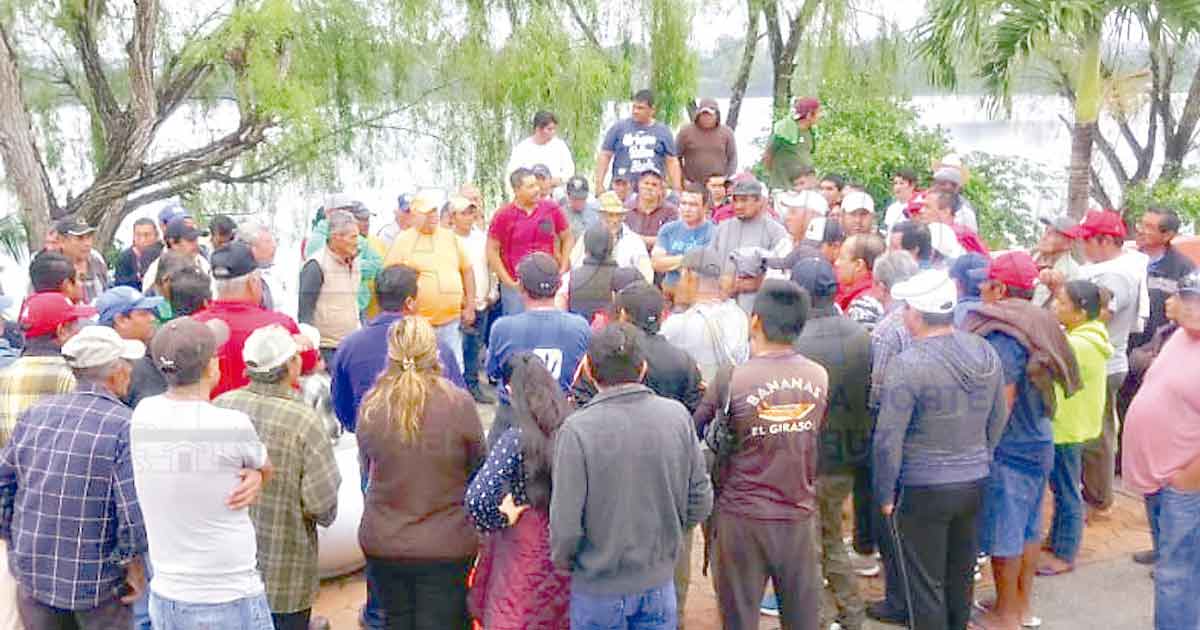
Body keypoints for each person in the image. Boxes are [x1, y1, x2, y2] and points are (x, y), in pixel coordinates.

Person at [550, 322, 712, 630]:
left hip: (597, 588)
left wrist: (574, 563)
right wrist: (667, 540)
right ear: (643, 368)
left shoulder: (577, 430)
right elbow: (700, 500)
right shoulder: (677, 417)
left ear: (588, 370)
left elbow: (566, 526)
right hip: (657, 582)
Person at [874, 270, 1008, 630]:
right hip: (975, 478)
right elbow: (998, 416)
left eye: (906, 309)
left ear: (917, 314)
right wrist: (981, 455)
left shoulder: (908, 364)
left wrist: (885, 492)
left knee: (924, 584)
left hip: (923, 487)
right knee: (960, 577)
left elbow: (889, 438)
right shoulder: (984, 351)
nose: (903, 315)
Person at [695, 279, 825, 630]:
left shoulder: (732, 378)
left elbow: (698, 425)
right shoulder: (818, 376)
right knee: (803, 619)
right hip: (797, 513)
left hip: (741, 516)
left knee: (739, 618)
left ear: (755, 322)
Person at [0, 326, 148, 629]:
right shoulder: (124, 426)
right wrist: (129, 565)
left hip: (34, 575)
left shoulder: (36, 414)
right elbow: (131, 519)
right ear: (116, 371)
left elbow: (5, 485)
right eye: (127, 364)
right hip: (97, 587)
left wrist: (16, 545)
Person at [963, 252, 1081, 630]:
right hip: (1040, 436)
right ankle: (1020, 605)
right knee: (1029, 526)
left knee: (1004, 529)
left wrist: (980, 447)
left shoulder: (1003, 332)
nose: (981, 288)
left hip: (1009, 445)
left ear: (999, 287)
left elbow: (1003, 399)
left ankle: (1007, 616)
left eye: (987, 282)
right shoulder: (1040, 321)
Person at [130, 316, 273, 629]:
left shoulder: (143, 414)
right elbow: (265, 466)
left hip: (167, 593)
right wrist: (257, 474)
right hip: (227, 595)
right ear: (212, 367)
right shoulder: (231, 425)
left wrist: (254, 475)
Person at [357, 316, 484, 629]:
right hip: (446, 543)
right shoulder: (458, 404)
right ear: (435, 352)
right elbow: (477, 469)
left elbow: (366, 470)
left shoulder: (372, 404)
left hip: (383, 541)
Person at [213, 325, 341, 630]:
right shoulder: (303, 420)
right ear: (292, 365)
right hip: (285, 574)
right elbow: (322, 506)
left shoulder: (220, 407)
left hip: (227, 569)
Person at [0, 291, 96, 630]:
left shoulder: (6, 375)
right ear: (60, 333)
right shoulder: (72, 378)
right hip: (62, 507)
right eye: (74, 324)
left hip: (16, 504)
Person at [788, 258, 871, 630]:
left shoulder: (794, 342)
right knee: (833, 537)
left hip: (806, 461)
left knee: (808, 551)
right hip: (846, 458)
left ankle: (819, 620)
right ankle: (853, 616)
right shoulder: (860, 335)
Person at [465, 353, 572, 629]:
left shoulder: (515, 439)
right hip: (565, 538)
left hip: (522, 543)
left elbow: (478, 498)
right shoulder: (572, 428)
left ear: (511, 390)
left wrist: (501, 518)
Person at [1122, 270, 1200, 630]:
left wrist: (1186, 479)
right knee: (1178, 574)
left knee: (1177, 577)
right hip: (1163, 481)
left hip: (1184, 485)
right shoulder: (1181, 337)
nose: (1182, 304)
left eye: (1192, 298)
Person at [1060, 210, 1148, 514]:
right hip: (1095, 357)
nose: (1083, 244)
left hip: (1102, 361)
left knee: (1096, 434)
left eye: (1088, 239)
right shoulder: (1103, 268)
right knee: (1092, 430)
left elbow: (1102, 312)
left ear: (1107, 240)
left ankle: (1098, 498)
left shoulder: (1116, 273)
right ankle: (1094, 494)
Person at [1039, 280, 1112, 577]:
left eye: (1062, 303)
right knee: (1062, 487)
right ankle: (1058, 539)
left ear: (1080, 312)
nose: (1056, 307)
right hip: (1075, 423)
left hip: (1067, 426)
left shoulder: (1078, 345)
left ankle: (1066, 552)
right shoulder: (1086, 336)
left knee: (1067, 491)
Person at [864, 252, 921, 625]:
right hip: (927, 431)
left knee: (891, 521)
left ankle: (899, 600)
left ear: (881, 286)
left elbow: (877, 394)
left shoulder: (887, 330)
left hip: (893, 432)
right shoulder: (933, 316)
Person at [486, 253, 591, 445]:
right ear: (558, 286)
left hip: (512, 420)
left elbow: (493, 372)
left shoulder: (503, 328)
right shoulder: (580, 327)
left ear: (521, 287)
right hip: (560, 419)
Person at [193, 241, 318, 397]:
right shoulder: (279, 327)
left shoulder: (192, 328)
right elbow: (309, 365)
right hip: (272, 417)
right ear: (253, 282)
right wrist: (307, 344)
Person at [385, 193, 476, 371]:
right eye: (427, 213)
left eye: (434, 211)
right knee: (423, 370)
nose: (433, 216)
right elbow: (391, 279)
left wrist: (470, 305)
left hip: (451, 321)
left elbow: (467, 271)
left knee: (453, 369)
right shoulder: (403, 241)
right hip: (419, 323)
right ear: (415, 216)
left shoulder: (450, 238)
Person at [489, 167, 574, 316]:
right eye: (530, 187)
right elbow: (491, 251)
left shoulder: (551, 209)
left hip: (548, 284)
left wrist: (563, 268)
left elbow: (567, 237)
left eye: (536, 185)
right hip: (516, 289)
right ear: (516, 190)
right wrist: (509, 282)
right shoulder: (503, 215)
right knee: (516, 332)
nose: (537, 189)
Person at [661, 247, 749, 383]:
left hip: (695, 400)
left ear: (689, 276)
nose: (678, 283)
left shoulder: (678, 324)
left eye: (681, 276)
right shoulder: (739, 316)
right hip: (733, 397)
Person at [709, 177, 792, 313]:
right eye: (735, 200)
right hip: (722, 308)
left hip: (758, 310)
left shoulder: (776, 232)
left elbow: (783, 275)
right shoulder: (722, 229)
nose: (738, 206)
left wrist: (753, 283)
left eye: (744, 200)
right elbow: (709, 265)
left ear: (759, 201)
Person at [449, 195, 498, 404]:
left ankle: (473, 385)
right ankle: (463, 389)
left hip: (483, 302)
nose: (469, 217)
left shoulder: (481, 238)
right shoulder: (448, 241)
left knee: (475, 347)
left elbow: (491, 265)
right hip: (459, 305)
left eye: (471, 213)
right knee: (461, 348)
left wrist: (492, 292)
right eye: (464, 213)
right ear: (453, 217)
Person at [298, 210, 361, 365]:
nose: (357, 242)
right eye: (353, 237)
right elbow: (304, 314)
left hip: (352, 344)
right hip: (327, 349)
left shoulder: (354, 261)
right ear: (336, 237)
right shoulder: (315, 266)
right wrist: (314, 354)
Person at [595, 89, 682, 192]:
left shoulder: (663, 131)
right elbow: (605, 155)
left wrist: (677, 188)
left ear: (652, 110)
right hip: (622, 190)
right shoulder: (618, 128)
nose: (635, 111)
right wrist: (599, 184)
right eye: (634, 107)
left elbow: (671, 161)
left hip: (651, 191)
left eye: (641, 108)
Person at [95, 286, 166, 408]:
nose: (152, 318)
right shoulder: (135, 366)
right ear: (121, 320)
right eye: (143, 314)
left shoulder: (96, 356)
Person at [652, 185, 715, 292]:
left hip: (699, 292)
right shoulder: (668, 229)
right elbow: (656, 263)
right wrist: (687, 259)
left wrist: (671, 261)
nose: (687, 209)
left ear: (705, 208)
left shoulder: (714, 232)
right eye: (683, 203)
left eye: (693, 205)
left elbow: (706, 267)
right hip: (669, 290)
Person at [505, 111, 575, 193]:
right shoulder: (522, 148)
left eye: (554, 129)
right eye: (549, 129)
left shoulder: (560, 145)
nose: (553, 132)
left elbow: (569, 171)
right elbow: (513, 173)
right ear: (538, 129)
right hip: (531, 192)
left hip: (556, 191)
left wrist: (556, 181)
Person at [141, 216, 212, 294]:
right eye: (191, 240)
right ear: (173, 243)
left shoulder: (202, 262)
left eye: (196, 239)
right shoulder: (155, 271)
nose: (196, 244)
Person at [675, 98, 737, 187]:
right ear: (698, 115)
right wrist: (682, 179)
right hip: (692, 185)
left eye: (710, 114)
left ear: (717, 115)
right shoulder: (685, 132)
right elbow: (675, 157)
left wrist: (726, 179)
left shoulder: (727, 133)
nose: (706, 117)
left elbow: (733, 158)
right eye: (703, 114)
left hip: (718, 185)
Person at [763, 97, 820, 191]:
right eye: (818, 112)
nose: (820, 116)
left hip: (805, 187)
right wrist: (775, 176)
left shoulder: (811, 132)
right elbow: (768, 154)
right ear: (809, 114)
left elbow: (807, 155)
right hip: (783, 188)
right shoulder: (784, 129)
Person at [916, 190, 989, 256]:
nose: (921, 210)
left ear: (945, 212)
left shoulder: (938, 231)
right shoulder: (963, 232)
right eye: (922, 206)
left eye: (927, 207)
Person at [240, 220, 290, 316]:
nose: (274, 246)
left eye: (273, 241)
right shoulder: (242, 278)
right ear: (252, 248)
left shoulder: (276, 272)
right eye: (268, 242)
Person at [623, 167, 679, 252]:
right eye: (646, 183)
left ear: (661, 189)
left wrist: (635, 239)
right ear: (638, 185)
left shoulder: (671, 211)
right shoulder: (625, 209)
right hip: (629, 255)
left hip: (659, 258)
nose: (649, 187)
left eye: (654, 185)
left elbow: (669, 240)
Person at [1031, 216, 1082, 308]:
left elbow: (1068, 308)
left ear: (1068, 243)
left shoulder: (1073, 272)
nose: (1044, 237)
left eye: (1052, 234)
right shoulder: (1027, 257)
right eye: (1046, 231)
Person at [55, 217, 109, 303]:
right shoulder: (50, 267)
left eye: (89, 237)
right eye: (80, 238)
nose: (87, 243)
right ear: (62, 241)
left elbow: (107, 293)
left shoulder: (96, 260)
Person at [835, 233, 886, 315]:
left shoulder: (863, 305)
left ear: (859, 265)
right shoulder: (852, 293)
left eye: (842, 258)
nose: (837, 263)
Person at [114, 218, 163, 290]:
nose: (143, 240)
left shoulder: (163, 253)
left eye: (147, 235)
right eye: (138, 235)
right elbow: (120, 286)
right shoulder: (125, 258)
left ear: (156, 236)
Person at [931, 167, 979, 233]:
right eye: (937, 183)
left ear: (957, 187)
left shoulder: (965, 213)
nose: (947, 187)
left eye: (942, 184)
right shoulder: (928, 202)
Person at [883, 168, 919, 233]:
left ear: (912, 185)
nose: (897, 187)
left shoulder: (920, 204)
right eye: (895, 183)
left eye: (901, 183)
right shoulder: (891, 209)